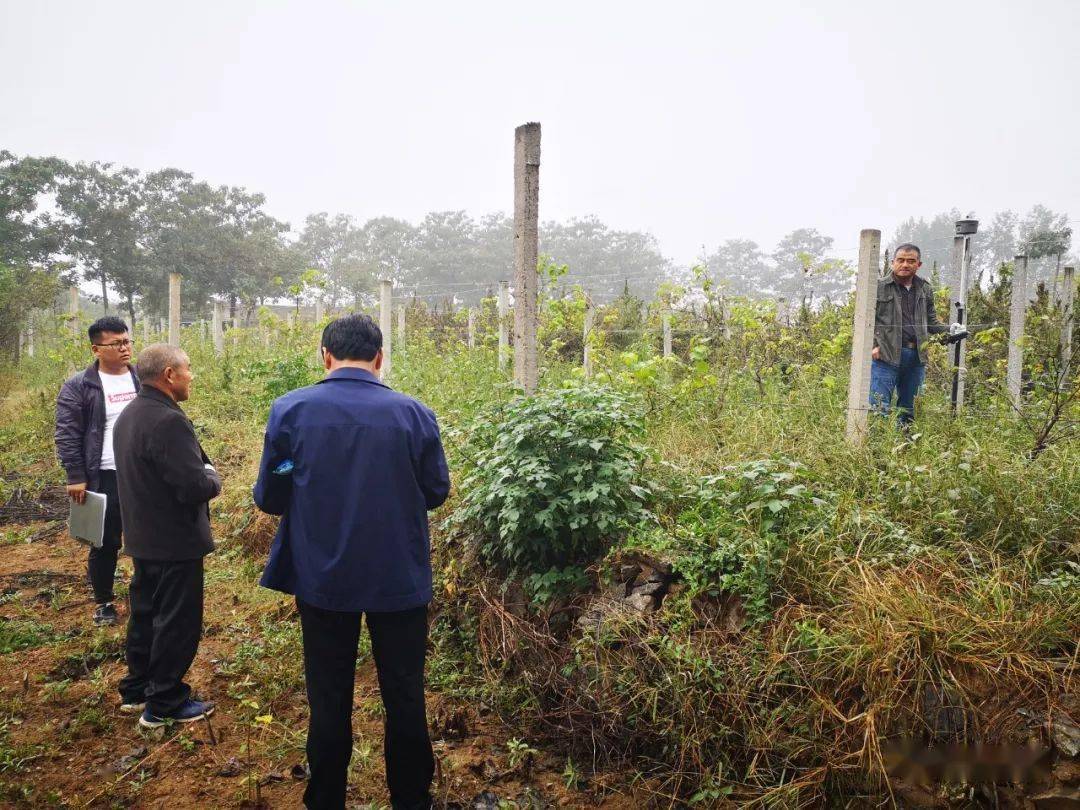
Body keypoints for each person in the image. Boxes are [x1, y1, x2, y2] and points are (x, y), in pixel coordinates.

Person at [253, 314, 450, 810]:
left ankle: (325, 799)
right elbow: (436, 491)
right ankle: (410, 798)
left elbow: (271, 497)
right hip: (397, 578)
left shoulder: (291, 411)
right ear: (379, 359)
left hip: (323, 579)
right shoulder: (414, 414)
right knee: (405, 692)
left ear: (325, 356)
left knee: (328, 692)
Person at [112, 343, 221, 727]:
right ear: (169, 375)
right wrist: (212, 477)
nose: (192, 375)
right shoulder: (168, 421)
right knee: (177, 621)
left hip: (143, 537)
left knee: (145, 615)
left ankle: (137, 688)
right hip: (175, 542)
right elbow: (193, 486)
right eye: (188, 368)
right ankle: (165, 703)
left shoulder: (129, 415)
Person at [55, 317, 140, 627]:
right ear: (96, 348)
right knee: (103, 542)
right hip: (103, 474)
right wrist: (75, 476)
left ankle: (143, 594)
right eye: (116, 343)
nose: (124, 348)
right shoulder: (80, 385)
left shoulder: (140, 378)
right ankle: (104, 601)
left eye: (127, 341)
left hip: (140, 475)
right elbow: (67, 433)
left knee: (145, 535)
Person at [871, 243, 960, 425]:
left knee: (909, 409)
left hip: (916, 356)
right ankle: (876, 451)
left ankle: (904, 449)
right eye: (901, 260)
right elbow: (864, 320)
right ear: (892, 262)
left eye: (911, 261)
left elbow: (931, 322)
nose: (905, 265)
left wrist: (950, 330)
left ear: (918, 264)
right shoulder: (878, 287)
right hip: (885, 355)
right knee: (879, 408)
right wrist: (873, 346)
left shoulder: (924, 289)